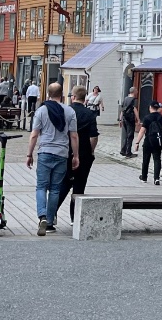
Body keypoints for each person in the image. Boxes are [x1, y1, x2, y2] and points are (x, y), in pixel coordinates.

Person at [25, 83, 79, 236]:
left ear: (48, 94)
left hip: (45, 152)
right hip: (62, 153)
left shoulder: (41, 110)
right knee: (55, 189)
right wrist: (76, 156)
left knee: (41, 186)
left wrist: (29, 154)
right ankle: (49, 222)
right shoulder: (69, 111)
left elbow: (34, 134)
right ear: (62, 95)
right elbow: (74, 135)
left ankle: (41, 216)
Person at [57, 86, 99, 223]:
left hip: (65, 151)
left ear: (73, 97)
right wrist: (91, 151)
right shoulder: (89, 114)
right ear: (85, 98)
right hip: (84, 153)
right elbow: (94, 136)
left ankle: (51, 214)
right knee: (79, 187)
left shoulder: (65, 111)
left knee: (63, 184)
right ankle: (74, 218)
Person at [133, 101, 162, 185]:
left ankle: (144, 177)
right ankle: (156, 178)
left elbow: (142, 131)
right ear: (157, 108)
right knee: (157, 159)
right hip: (158, 141)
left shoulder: (147, 118)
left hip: (148, 141)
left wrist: (137, 142)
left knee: (146, 159)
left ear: (150, 108)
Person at [119, 87, 138, 157]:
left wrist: (120, 119)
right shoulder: (134, 100)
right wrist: (138, 119)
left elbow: (122, 110)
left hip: (124, 118)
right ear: (134, 91)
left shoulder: (125, 99)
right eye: (136, 91)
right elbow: (135, 109)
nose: (137, 92)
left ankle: (123, 150)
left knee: (126, 134)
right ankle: (128, 152)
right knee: (130, 136)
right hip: (130, 119)